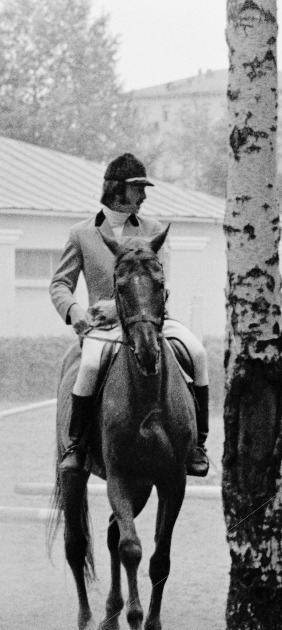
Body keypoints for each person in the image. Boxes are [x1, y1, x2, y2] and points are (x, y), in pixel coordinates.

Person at [50, 153, 211, 477]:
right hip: (102, 326)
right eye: (138, 189)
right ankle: (76, 446)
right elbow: (60, 283)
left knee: (198, 352)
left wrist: (135, 306)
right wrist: (75, 311)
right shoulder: (82, 233)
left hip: (150, 320)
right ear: (117, 189)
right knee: (91, 365)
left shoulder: (152, 231)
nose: (144, 196)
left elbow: (160, 285)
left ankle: (197, 444)